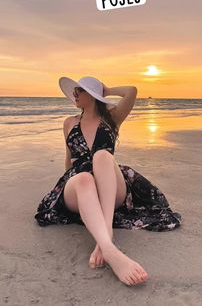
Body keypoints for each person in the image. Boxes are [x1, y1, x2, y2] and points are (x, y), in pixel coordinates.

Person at [34, 76, 181, 286]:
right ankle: (109, 249)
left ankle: (106, 234)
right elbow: (69, 162)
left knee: (102, 156)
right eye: (75, 90)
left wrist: (106, 89)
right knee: (83, 177)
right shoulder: (69, 123)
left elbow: (131, 91)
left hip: (110, 185)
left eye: (80, 90)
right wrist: (70, 183)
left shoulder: (112, 118)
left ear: (93, 96)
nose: (75, 94)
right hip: (81, 188)